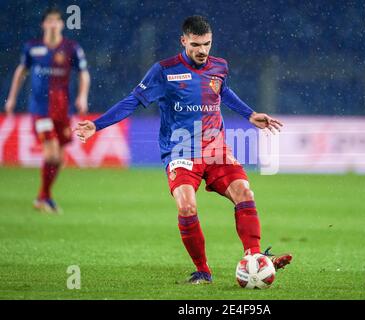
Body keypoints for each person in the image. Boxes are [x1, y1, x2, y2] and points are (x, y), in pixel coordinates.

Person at [74, 15, 291, 284]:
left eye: (207, 44)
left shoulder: (220, 66)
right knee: (187, 207)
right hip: (180, 151)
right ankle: (203, 271)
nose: (202, 51)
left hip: (215, 148)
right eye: (196, 45)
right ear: (183, 41)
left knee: (244, 192)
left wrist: (249, 114)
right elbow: (132, 101)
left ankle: (255, 258)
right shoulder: (163, 71)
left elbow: (223, 91)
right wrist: (97, 125)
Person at [4, 7, 90, 213]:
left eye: (56, 21)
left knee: (60, 159)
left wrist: (82, 96)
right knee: (51, 154)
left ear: (62, 24)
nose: (53, 24)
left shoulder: (71, 48)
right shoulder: (32, 48)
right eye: (49, 21)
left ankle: (44, 197)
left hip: (63, 110)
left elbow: (84, 73)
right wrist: (12, 98)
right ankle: (43, 197)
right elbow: (20, 72)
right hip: (40, 110)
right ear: (43, 24)